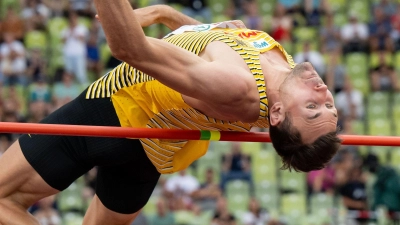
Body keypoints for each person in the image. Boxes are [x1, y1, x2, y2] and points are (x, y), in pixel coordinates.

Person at [0, 3, 340, 225]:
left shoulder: (238, 88)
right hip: (153, 153)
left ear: (278, 114)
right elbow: (207, 42)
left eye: (313, 107)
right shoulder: (285, 70)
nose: (324, 94)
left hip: (113, 114)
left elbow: (128, 49)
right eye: (328, 106)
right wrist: (164, 13)